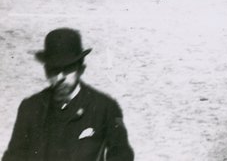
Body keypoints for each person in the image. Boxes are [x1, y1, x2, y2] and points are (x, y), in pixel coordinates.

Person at [2, 28, 134, 161]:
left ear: (80, 69)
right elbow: (14, 155)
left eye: (67, 69)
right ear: (46, 71)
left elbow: (121, 155)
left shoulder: (104, 107)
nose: (60, 77)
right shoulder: (31, 107)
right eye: (54, 70)